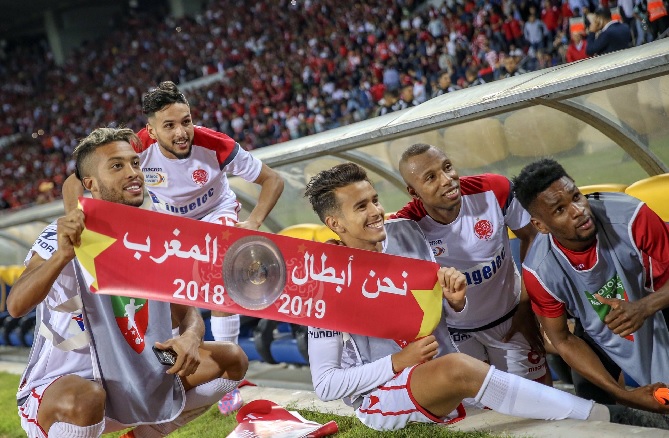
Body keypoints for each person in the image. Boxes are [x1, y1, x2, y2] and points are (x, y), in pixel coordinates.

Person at [304, 162, 669, 431]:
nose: (376, 212)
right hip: (385, 391)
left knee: (514, 401)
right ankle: (604, 413)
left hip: (441, 376)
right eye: (361, 207)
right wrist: (398, 362)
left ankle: (598, 411)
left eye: (375, 200)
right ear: (335, 223)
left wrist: (456, 300)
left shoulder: (408, 233)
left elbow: (442, 313)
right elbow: (326, 385)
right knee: (460, 368)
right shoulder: (322, 282)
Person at [9, 127, 249, 438]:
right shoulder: (62, 233)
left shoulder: (155, 237)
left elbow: (186, 312)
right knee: (86, 398)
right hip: (69, 382)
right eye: (117, 166)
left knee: (230, 359)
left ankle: (143, 436)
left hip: (141, 370)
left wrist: (190, 337)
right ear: (91, 184)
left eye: (135, 163)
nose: (133, 172)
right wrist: (62, 256)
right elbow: (16, 305)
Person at [63, 81, 284, 412]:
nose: (181, 132)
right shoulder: (135, 147)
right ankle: (170, 364)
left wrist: (253, 222)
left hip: (215, 215)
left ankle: (229, 376)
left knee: (222, 268)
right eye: (169, 125)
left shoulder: (215, 144)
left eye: (186, 121)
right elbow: (73, 181)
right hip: (169, 226)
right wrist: (75, 216)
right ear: (151, 130)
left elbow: (273, 179)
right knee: (171, 297)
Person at [512, 158, 669, 412]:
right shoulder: (539, 270)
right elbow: (562, 339)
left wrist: (643, 307)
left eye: (576, 196)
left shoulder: (631, 216)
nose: (578, 211)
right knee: (592, 405)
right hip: (596, 330)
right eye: (560, 210)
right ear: (540, 225)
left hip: (657, 301)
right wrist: (623, 395)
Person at [393, 144, 548, 384]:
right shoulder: (405, 225)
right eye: (431, 177)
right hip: (455, 332)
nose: (447, 179)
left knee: (537, 395)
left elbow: (533, 238)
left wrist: (527, 307)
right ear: (413, 192)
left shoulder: (493, 189)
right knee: (480, 405)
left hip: (512, 318)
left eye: (447, 167)